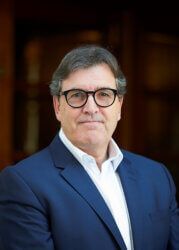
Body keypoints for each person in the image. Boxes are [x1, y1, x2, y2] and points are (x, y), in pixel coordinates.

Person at [0, 45, 178, 250]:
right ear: (58, 106)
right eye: (77, 95)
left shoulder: (157, 176)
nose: (91, 108)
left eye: (104, 94)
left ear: (119, 105)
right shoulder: (23, 184)